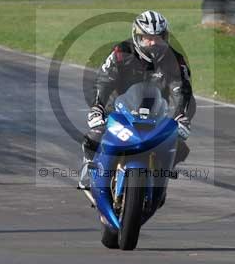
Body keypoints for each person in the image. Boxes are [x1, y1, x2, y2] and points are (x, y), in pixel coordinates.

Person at [79, 10, 195, 188]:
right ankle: (89, 166)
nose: (153, 43)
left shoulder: (175, 60)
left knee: (179, 145)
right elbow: (103, 81)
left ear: (166, 37)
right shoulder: (120, 52)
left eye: (158, 38)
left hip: (156, 113)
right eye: (147, 38)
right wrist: (97, 107)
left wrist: (181, 116)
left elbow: (182, 90)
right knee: (95, 134)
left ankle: (160, 177)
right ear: (137, 36)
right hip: (118, 109)